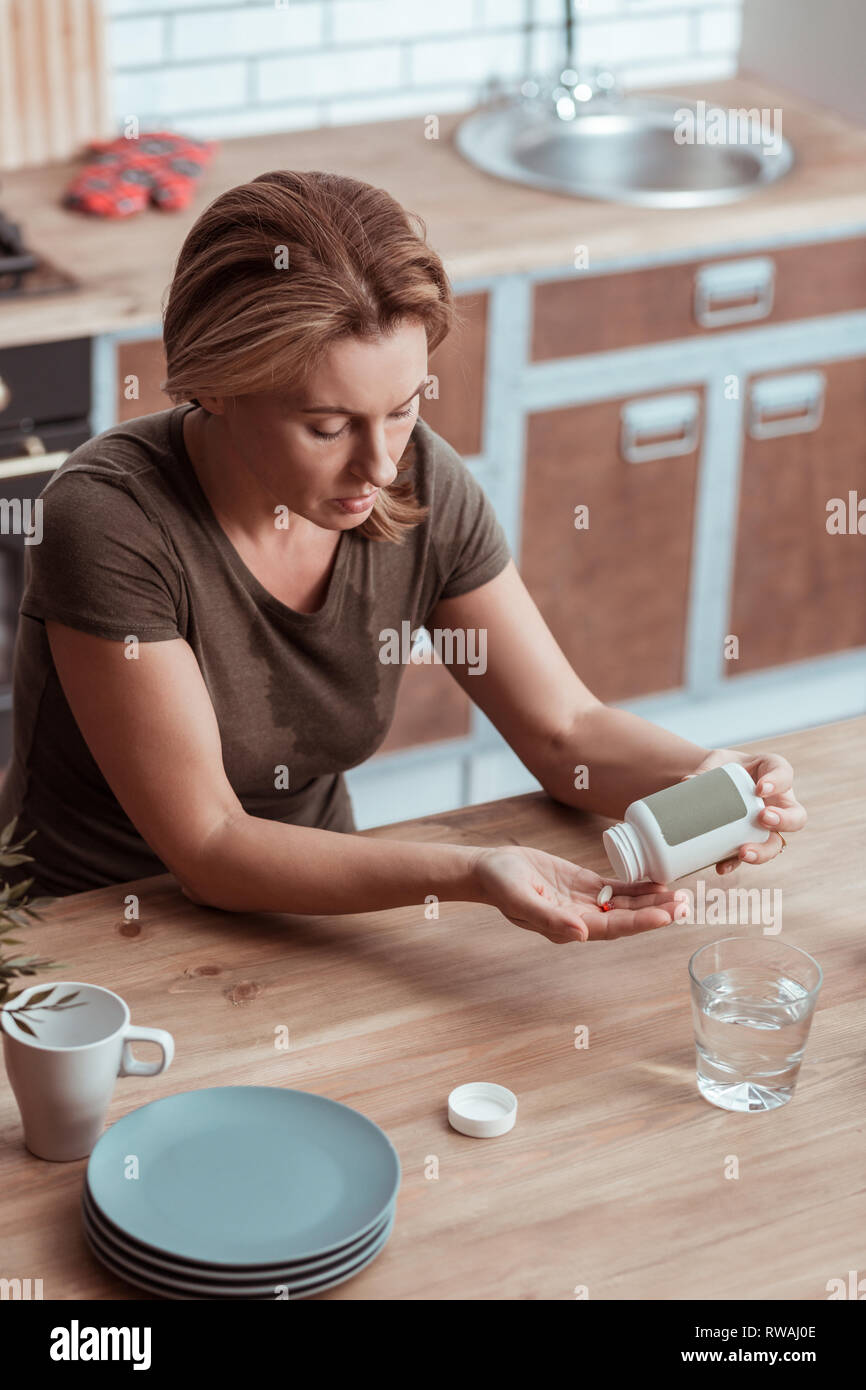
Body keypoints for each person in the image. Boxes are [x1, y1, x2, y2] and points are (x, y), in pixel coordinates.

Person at [0, 171, 805, 943]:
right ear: (214, 384)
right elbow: (209, 846)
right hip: (97, 933)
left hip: (316, 917)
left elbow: (565, 733)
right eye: (326, 425)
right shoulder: (110, 520)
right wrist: (470, 872)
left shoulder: (421, 478)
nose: (381, 465)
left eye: (403, 407)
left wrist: (711, 777)